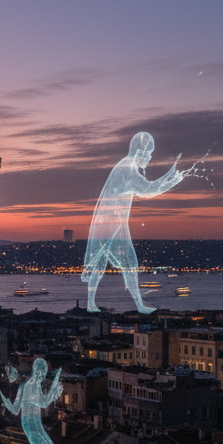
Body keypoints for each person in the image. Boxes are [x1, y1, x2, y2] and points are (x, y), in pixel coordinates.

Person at [82, 131, 185, 314]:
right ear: (139, 151)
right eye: (148, 154)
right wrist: (173, 180)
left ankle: (92, 304)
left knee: (102, 262)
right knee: (129, 264)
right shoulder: (126, 170)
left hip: (108, 224)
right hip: (112, 225)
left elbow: (147, 186)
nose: (149, 158)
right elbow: (148, 189)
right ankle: (137, 305)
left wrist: (170, 178)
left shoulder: (124, 166)